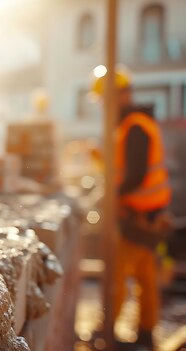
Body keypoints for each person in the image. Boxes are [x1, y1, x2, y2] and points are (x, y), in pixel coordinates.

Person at [91, 65, 172, 349]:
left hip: (138, 217)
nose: (103, 108)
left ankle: (108, 330)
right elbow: (127, 168)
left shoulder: (135, 127)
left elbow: (135, 176)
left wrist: (110, 195)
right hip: (149, 215)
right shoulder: (136, 125)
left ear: (118, 97)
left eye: (104, 101)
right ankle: (146, 334)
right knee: (145, 277)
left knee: (117, 275)